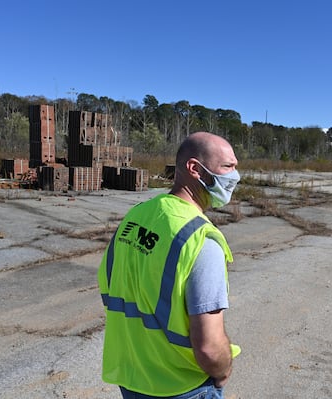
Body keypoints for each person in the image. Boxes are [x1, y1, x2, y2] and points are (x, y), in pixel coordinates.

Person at [98, 132, 241, 398]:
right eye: (228, 167)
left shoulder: (136, 217)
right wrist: (222, 370)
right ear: (195, 169)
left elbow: (109, 288)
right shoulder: (201, 240)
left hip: (133, 378)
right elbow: (209, 348)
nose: (236, 176)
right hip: (182, 387)